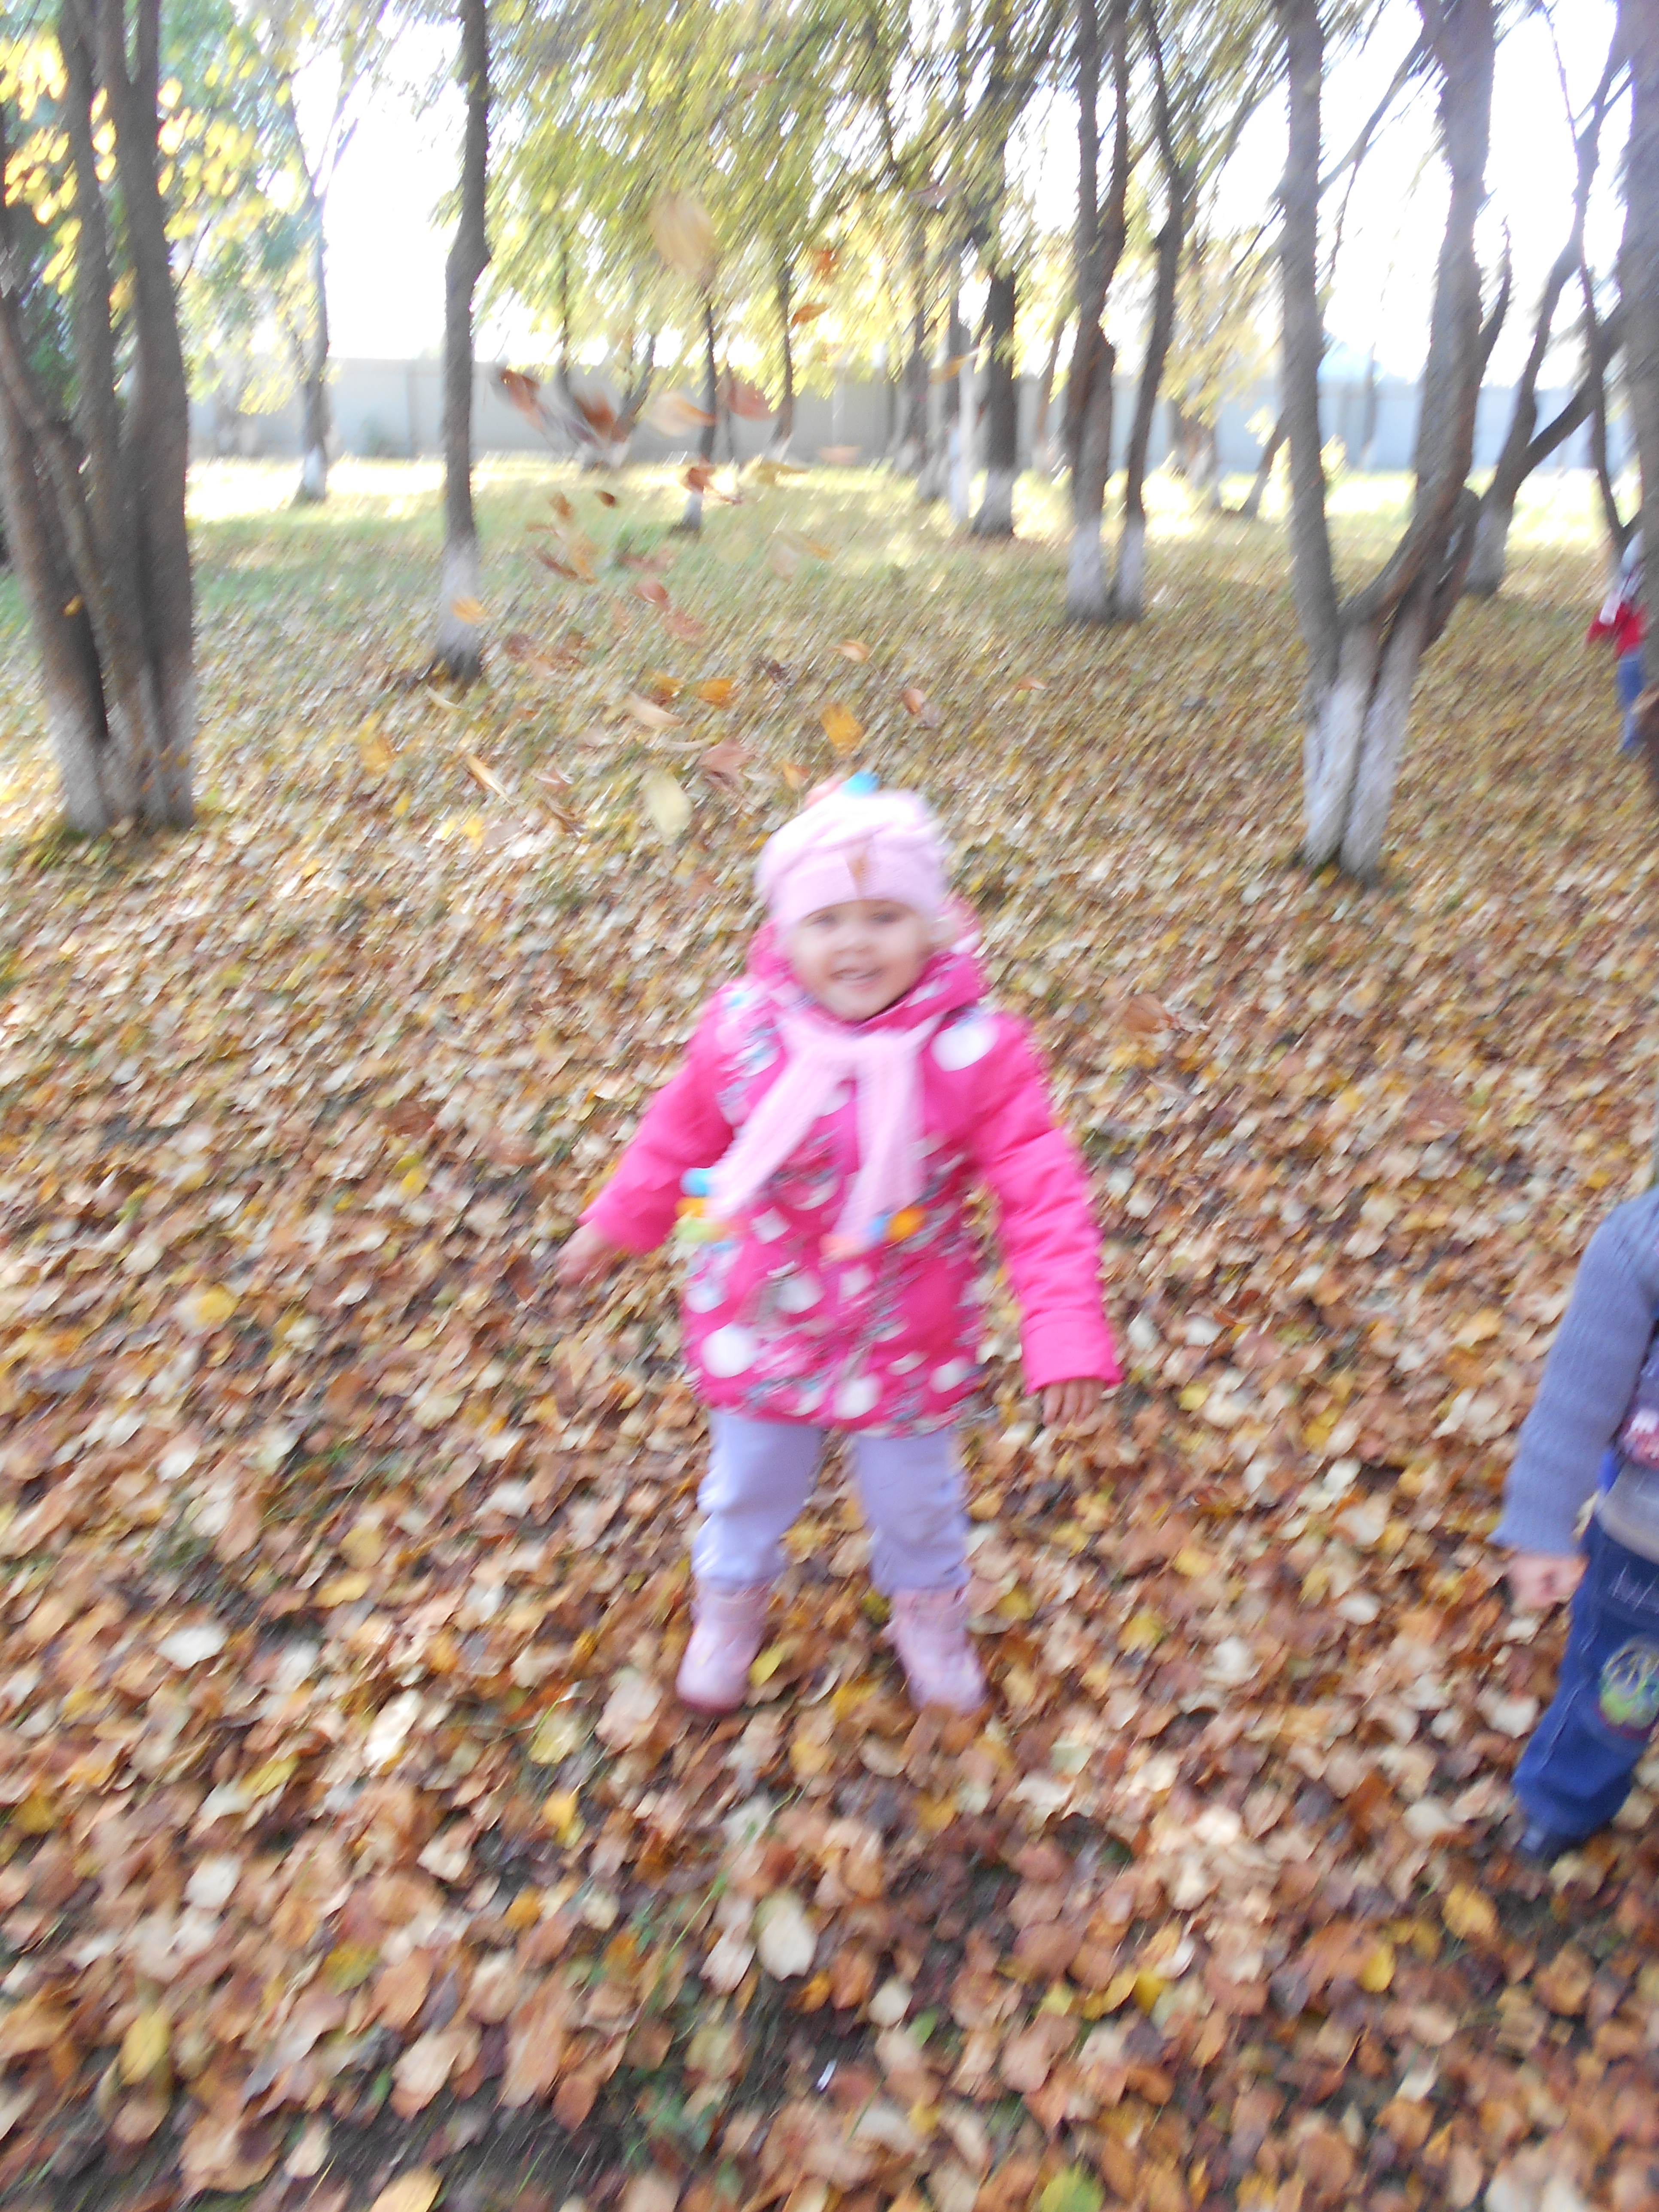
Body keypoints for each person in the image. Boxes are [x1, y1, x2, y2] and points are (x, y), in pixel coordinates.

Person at [554, 778, 1119, 1715]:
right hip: (764, 1311)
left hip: (905, 1330)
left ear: (929, 925)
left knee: (915, 1499)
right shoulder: (745, 1033)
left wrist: (1063, 1330)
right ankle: (729, 1605)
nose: (855, 943)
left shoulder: (972, 1051)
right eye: (826, 920)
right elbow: (677, 1134)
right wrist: (616, 1222)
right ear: (786, 933)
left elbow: (1041, 1189)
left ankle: (928, 1616)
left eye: (884, 916)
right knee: (749, 1483)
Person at [1495, 1180, 1659, 1860]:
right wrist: (1540, 1525)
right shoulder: (1641, 1245)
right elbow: (1574, 1403)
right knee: (1618, 1693)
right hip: (1645, 1551)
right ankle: (1566, 1797)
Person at [1587, 531, 1644, 753]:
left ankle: (1632, 744)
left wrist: (1594, 633)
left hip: (1634, 650)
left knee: (1633, 701)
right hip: (1643, 649)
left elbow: (1615, 609)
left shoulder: (1633, 582)